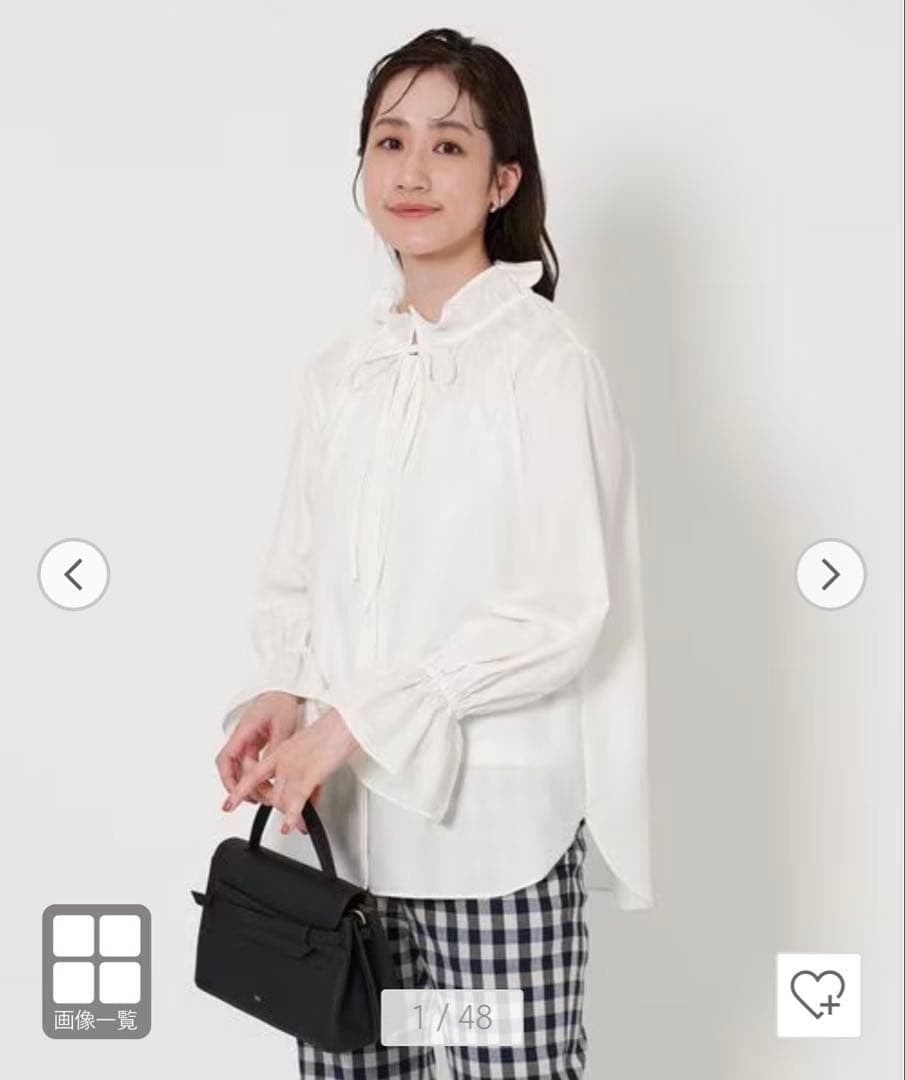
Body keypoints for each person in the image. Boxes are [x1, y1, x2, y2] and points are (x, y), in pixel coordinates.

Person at [215, 27, 653, 1079]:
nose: (412, 171)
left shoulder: (543, 365)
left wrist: (353, 722)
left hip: (489, 841)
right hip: (345, 843)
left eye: (448, 146)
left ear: (503, 180)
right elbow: (302, 572)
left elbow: (559, 611)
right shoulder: (340, 375)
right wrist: (284, 691)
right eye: (390, 141)